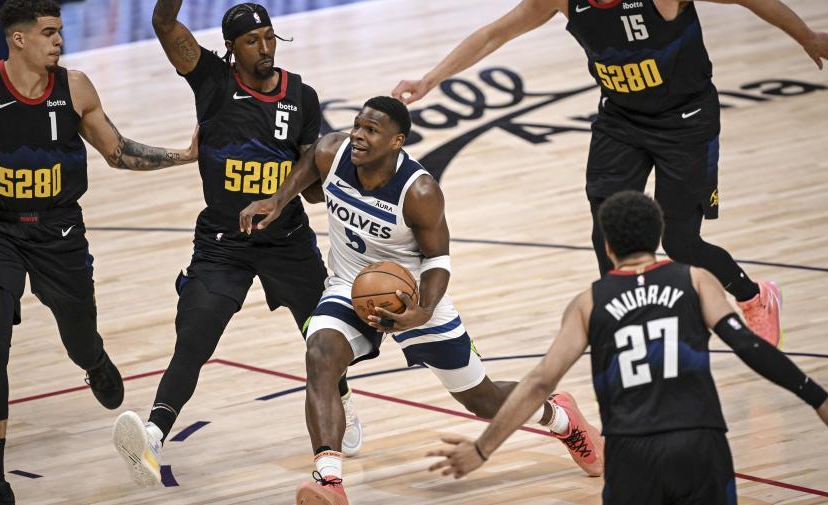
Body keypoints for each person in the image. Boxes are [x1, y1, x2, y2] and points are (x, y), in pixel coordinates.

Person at [392, 0, 828, 350]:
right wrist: (430, 80)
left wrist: (806, 37)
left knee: (680, 242)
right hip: (620, 121)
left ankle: (755, 295)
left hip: (686, 120)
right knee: (606, 231)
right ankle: (630, 325)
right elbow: (494, 34)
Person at [240, 96, 603, 505]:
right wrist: (277, 199)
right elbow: (308, 167)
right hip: (349, 284)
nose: (358, 135)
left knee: (481, 400)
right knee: (320, 353)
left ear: (396, 142)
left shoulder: (420, 190)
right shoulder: (332, 151)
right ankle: (329, 481)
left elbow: (438, 259)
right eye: (358, 125)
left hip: (413, 293)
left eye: (371, 131)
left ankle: (559, 417)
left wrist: (423, 311)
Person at [426, 190, 828, 504]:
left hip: (631, 452)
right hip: (699, 443)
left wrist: (482, 449)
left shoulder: (589, 303)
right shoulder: (696, 281)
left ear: (607, 247)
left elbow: (537, 385)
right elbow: (751, 346)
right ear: (658, 236)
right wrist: (821, 400)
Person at [0, 0, 199, 502]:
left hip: (60, 236)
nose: (60, 40)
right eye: (49, 32)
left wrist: (184, 156)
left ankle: (94, 360)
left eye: (60, 31)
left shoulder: (75, 87)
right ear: (19, 39)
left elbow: (118, 152)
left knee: (79, 339)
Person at [111, 2, 361, 488]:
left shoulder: (301, 96)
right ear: (230, 47)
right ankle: (152, 436)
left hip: (286, 241)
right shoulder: (211, 80)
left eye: (269, 36)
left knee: (323, 337)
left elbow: (310, 181)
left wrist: (329, 168)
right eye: (252, 40)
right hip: (224, 241)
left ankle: (344, 403)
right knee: (195, 340)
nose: (265, 48)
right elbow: (164, 24)